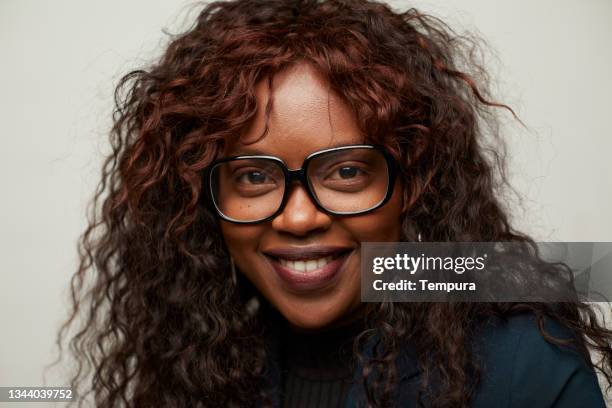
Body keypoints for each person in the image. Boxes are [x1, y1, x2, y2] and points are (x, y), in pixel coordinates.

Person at [57, 0, 612, 406]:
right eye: (252, 177)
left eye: (346, 171)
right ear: (201, 200)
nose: (299, 218)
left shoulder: (525, 361)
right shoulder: (192, 365)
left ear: (411, 185)